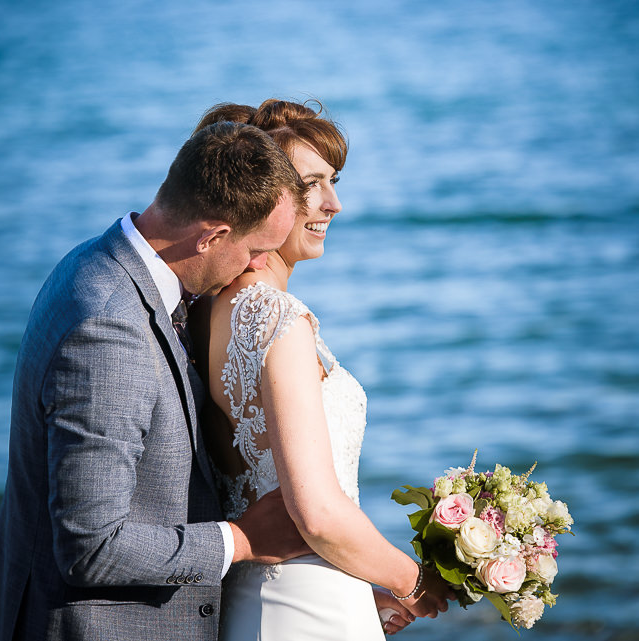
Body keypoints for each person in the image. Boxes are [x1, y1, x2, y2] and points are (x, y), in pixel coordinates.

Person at [0, 122, 313, 641]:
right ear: (213, 235)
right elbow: (92, 547)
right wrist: (240, 541)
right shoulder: (108, 328)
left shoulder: (96, 260)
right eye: (254, 249)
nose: (261, 265)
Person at [188, 100, 453, 640]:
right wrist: (413, 581)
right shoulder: (279, 319)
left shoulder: (218, 312)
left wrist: (360, 589)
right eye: (312, 184)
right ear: (263, 197)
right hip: (303, 616)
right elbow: (317, 513)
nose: (333, 203)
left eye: (333, 181)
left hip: (270, 599)